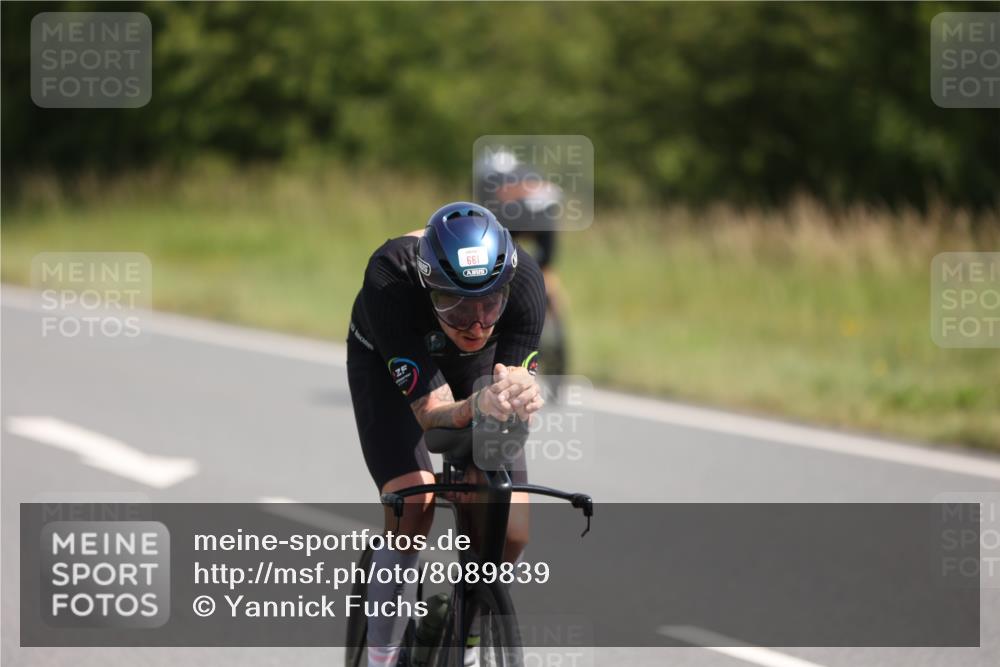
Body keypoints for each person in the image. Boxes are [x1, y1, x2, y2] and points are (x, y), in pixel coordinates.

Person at [346, 202, 547, 667]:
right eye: (454, 306)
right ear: (428, 285)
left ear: (507, 287)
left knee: (510, 529)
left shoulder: (527, 283)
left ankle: (467, 635)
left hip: (478, 369)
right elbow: (432, 413)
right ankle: (381, 657)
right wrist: (476, 405)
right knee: (413, 504)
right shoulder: (389, 278)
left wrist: (518, 397)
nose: (474, 323)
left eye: (488, 304)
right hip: (390, 357)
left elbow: (512, 410)